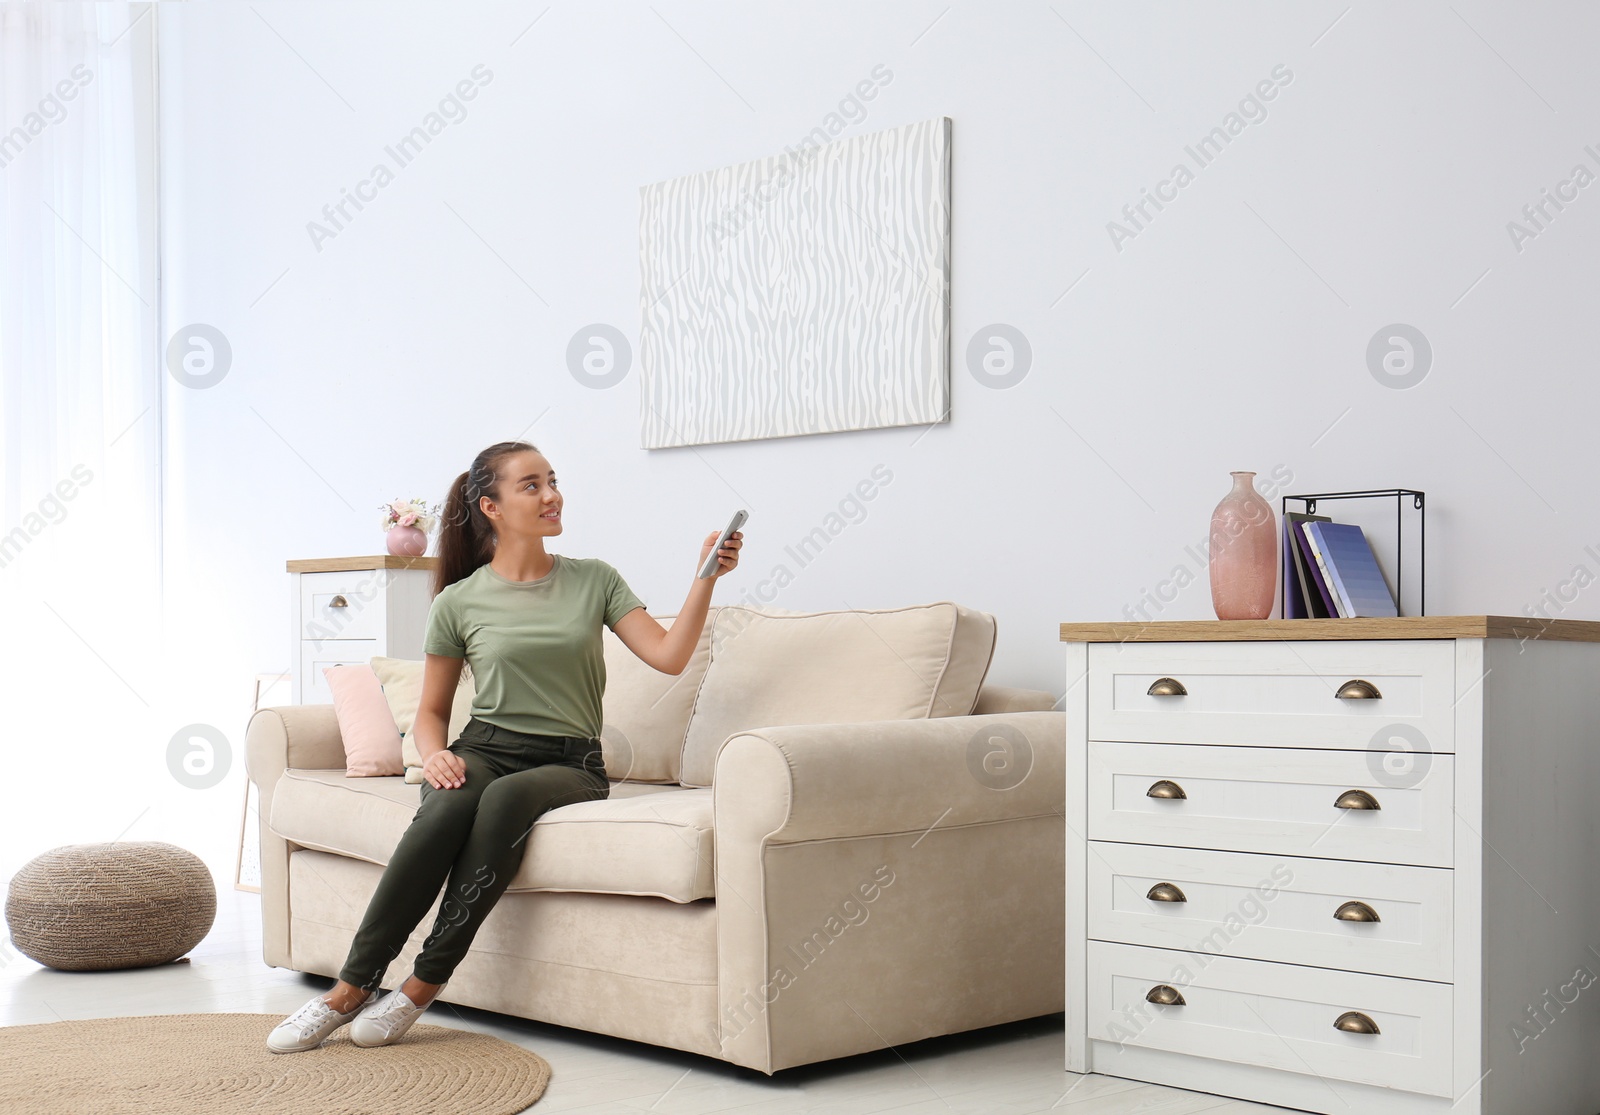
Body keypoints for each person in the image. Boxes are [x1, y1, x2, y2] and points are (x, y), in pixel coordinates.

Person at [267, 439, 743, 1053]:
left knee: (505, 801)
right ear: (490, 506)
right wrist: (434, 752)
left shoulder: (594, 579)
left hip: (569, 759)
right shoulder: (459, 602)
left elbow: (670, 655)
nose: (552, 496)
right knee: (442, 807)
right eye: (532, 485)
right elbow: (433, 712)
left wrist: (705, 577)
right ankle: (350, 989)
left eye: (553, 481)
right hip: (485, 744)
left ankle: (419, 986)